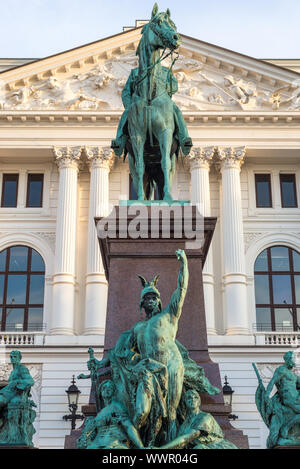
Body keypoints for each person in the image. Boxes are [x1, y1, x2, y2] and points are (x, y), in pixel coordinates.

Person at [111, 67, 192, 158]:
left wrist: (164, 88)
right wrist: (130, 106)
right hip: (139, 104)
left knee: (176, 110)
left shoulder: (165, 71)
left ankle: (184, 139)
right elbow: (126, 92)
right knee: (126, 113)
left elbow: (174, 87)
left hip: (161, 103)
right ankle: (119, 141)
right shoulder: (135, 72)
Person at [157, 389, 237, 450]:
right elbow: (180, 444)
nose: (192, 399)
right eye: (189, 398)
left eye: (195, 397)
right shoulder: (184, 425)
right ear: (185, 402)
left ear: (199, 401)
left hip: (217, 446)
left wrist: (162, 449)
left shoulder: (205, 417)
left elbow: (188, 437)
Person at [79, 380, 144, 450]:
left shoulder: (117, 406)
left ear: (114, 392)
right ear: (100, 392)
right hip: (97, 444)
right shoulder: (101, 412)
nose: (106, 390)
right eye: (104, 388)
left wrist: (141, 447)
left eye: (110, 388)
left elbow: (128, 426)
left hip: (113, 443)